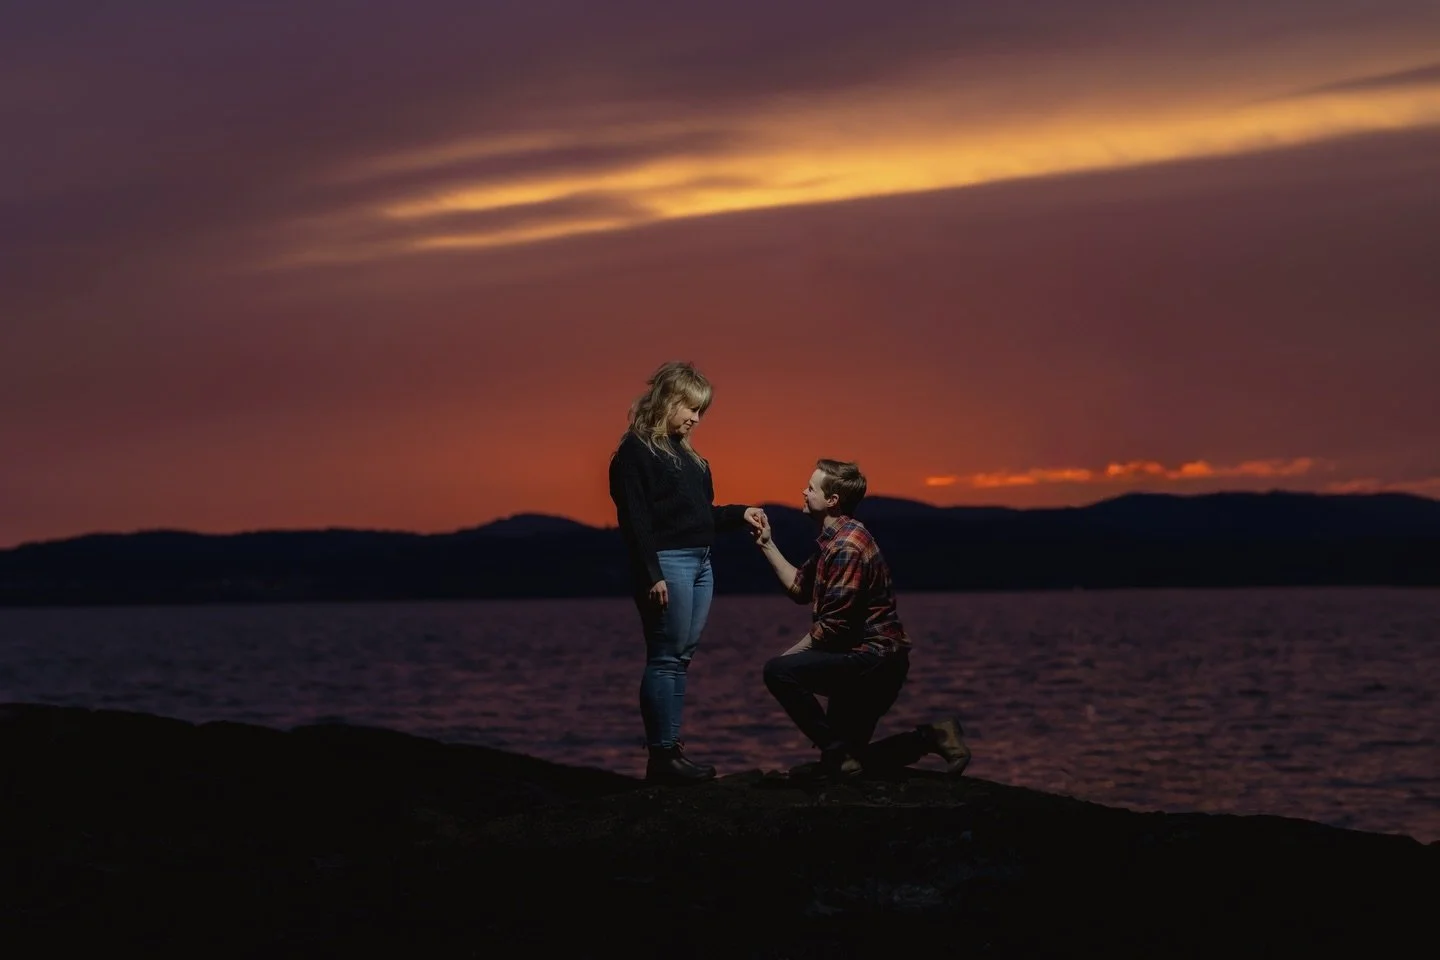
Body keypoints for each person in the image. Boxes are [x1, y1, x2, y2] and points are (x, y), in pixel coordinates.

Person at [753, 458, 970, 780]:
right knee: (847, 763)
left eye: (811, 488)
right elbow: (801, 588)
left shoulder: (846, 547)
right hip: (863, 659)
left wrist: (788, 663)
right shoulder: (833, 542)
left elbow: (833, 628)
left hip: (875, 662)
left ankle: (836, 754)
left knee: (778, 673)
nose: (803, 491)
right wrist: (767, 544)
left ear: (832, 500)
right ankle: (933, 737)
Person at [609, 361, 766, 784]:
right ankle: (662, 756)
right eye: (692, 409)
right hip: (668, 564)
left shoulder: (692, 458)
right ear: (670, 400)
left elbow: (701, 516)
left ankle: (671, 752)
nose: (696, 418)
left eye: (701, 411)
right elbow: (635, 520)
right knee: (664, 658)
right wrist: (651, 573)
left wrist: (741, 513)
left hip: (701, 562)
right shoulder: (635, 451)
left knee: (680, 658)